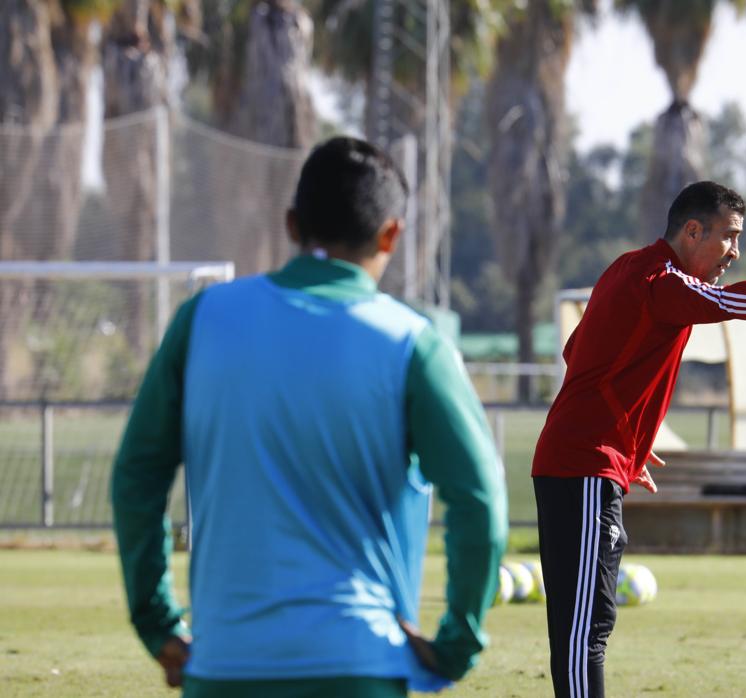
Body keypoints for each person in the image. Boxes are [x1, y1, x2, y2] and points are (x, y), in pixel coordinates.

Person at [111, 137, 508, 698]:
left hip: (225, 666)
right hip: (360, 663)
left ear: (292, 225)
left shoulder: (202, 320)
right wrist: (456, 646)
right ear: (391, 233)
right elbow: (481, 502)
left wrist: (156, 623)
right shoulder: (413, 343)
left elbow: (136, 478)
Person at [530, 180, 746, 698]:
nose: (735, 252)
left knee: (582, 626)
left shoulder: (626, 268)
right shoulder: (660, 279)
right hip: (583, 465)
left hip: (582, 459)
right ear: (692, 231)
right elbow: (723, 302)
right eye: (729, 236)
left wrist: (628, 435)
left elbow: (576, 350)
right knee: (587, 629)